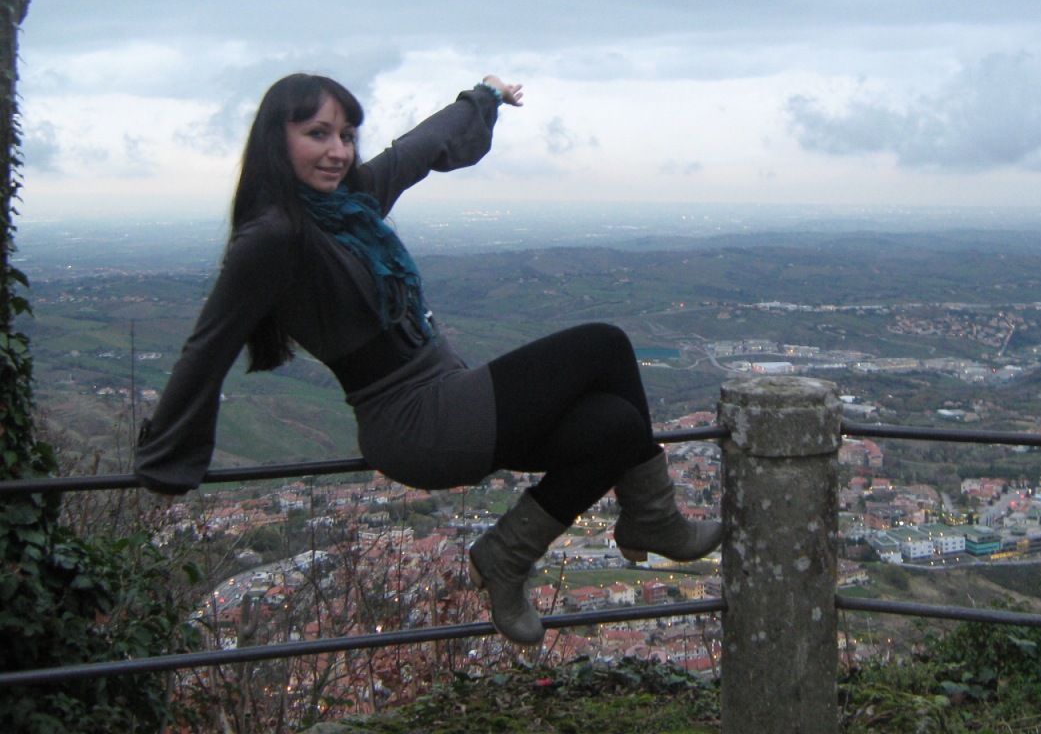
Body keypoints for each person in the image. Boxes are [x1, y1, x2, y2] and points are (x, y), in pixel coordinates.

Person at [133, 73, 720, 645]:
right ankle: (652, 520)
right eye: (318, 134)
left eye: (346, 135)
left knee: (616, 426)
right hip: (417, 423)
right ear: (274, 141)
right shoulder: (274, 236)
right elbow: (208, 346)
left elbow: (416, 151)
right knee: (605, 345)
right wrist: (165, 462)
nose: (339, 151)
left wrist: (482, 99)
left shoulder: (349, 208)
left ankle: (506, 554)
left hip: (452, 399)